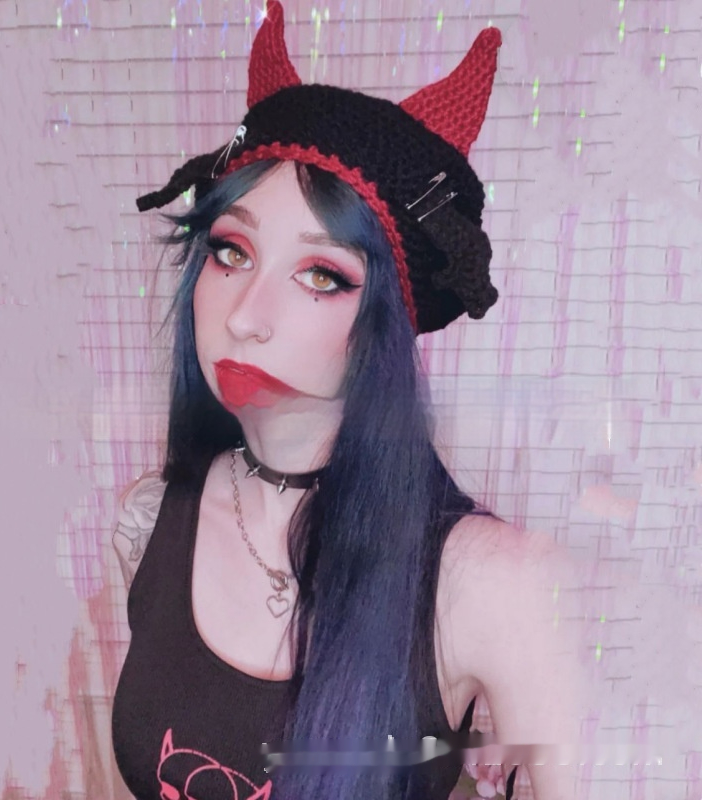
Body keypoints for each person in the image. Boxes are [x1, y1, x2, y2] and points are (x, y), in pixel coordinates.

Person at [111, 4, 585, 799]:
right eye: (231, 252)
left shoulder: (492, 583)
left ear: (386, 324)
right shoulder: (149, 519)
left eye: (321, 275)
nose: (246, 318)